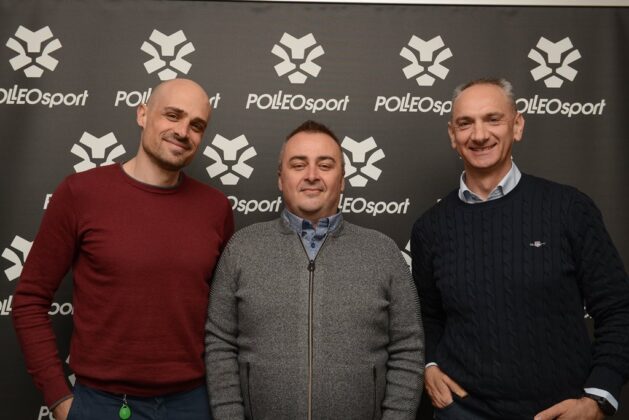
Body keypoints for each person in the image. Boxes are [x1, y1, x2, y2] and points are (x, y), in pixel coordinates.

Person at [12, 78, 234, 420]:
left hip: (192, 403)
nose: (182, 131)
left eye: (196, 125)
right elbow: (29, 299)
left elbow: (225, 317)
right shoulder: (80, 193)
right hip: (102, 404)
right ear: (142, 114)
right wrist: (59, 399)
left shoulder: (215, 208)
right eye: (172, 115)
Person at [411, 78, 629, 419]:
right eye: (465, 123)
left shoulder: (569, 209)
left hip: (558, 412)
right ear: (453, 135)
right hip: (463, 411)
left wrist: (599, 397)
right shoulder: (430, 228)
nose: (479, 135)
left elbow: (617, 308)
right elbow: (428, 315)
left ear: (517, 125)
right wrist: (430, 363)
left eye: (493, 119)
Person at [205, 120, 424, 420]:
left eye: (325, 165)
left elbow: (408, 347)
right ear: (281, 179)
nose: (311, 175)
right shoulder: (242, 249)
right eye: (298, 165)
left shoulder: (382, 252)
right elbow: (220, 343)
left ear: (342, 180)